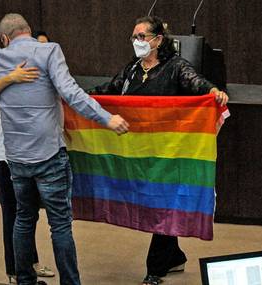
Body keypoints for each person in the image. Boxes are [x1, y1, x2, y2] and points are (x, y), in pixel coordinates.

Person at [0, 13, 129, 285]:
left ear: (5, 38)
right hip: (48, 155)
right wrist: (106, 118)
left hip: (15, 157)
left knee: (23, 219)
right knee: (60, 224)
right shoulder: (49, 51)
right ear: (28, 30)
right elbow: (71, 93)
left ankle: (24, 280)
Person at [90, 15, 228, 285]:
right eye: (134, 37)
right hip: (137, 152)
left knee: (162, 203)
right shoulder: (132, 69)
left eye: (141, 36)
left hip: (168, 152)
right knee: (154, 203)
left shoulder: (175, 67)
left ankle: (155, 268)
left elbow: (197, 83)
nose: (136, 41)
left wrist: (214, 92)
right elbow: (108, 90)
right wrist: (77, 97)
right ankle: (174, 256)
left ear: (158, 40)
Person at [0, 62, 55, 284]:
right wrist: (12, 77)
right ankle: (14, 270)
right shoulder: (7, 71)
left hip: (38, 155)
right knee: (13, 213)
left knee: (29, 212)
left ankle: (30, 263)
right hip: (7, 156)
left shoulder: (46, 75)